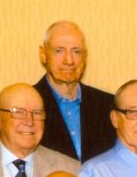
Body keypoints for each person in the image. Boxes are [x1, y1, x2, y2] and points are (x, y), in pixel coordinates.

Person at [33, 21, 115, 162]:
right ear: (43, 54)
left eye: (76, 51)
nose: (69, 60)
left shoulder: (108, 105)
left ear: (85, 56)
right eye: (59, 51)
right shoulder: (26, 106)